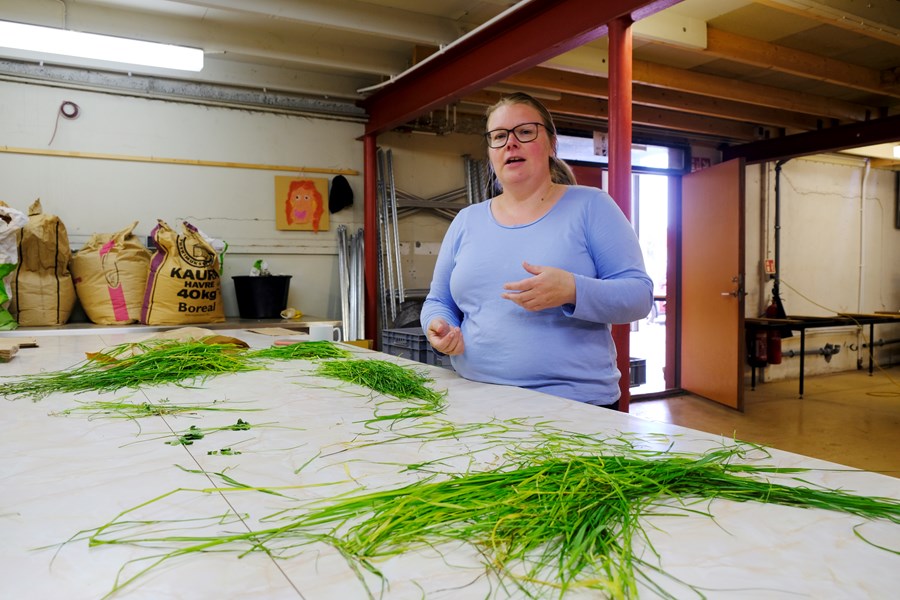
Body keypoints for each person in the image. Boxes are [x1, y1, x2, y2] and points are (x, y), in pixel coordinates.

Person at [419, 92, 653, 409]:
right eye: (499, 136)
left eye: (525, 132)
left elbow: (639, 297)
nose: (510, 144)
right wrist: (438, 325)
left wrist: (573, 289)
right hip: (475, 397)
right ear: (490, 152)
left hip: (573, 405)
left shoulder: (592, 206)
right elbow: (438, 301)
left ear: (551, 143)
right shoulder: (467, 221)